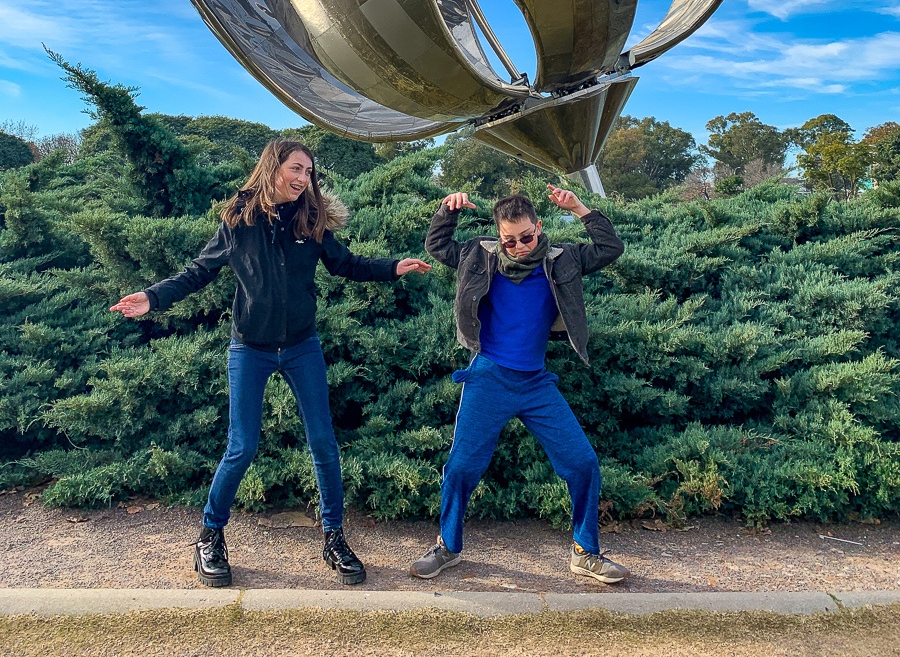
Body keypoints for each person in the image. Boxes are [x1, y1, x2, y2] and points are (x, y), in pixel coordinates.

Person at [110, 139, 430, 589]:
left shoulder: (311, 220)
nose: (303, 179)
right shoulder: (239, 219)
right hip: (250, 349)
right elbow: (199, 271)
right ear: (273, 167)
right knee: (242, 446)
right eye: (296, 169)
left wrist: (393, 266)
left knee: (324, 443)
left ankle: (334, 537)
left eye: (309, 173)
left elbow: (346, 265)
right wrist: (152, 297)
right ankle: (209, 536)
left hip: (302, 347)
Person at [410, 185, 629, 585]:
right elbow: (437, 244)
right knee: (461, 467)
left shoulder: (564, 259)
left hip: (536, 384)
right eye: (509, 240)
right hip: (488, 377)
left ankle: (586, 552)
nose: (518, 247)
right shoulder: (479, 255)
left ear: (539, 227)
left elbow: (610, 247)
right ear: (498, 235)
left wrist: (579, 208)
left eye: (526, 237)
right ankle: (447, 547)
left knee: (582, 463)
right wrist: (447, 208)